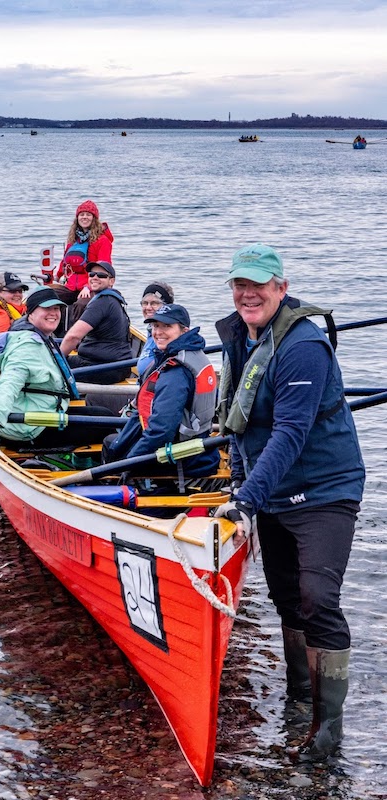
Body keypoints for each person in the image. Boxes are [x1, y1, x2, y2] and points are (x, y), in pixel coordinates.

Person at [213, 243, 366, 761]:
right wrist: (241, 486)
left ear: (281, 287)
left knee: (318, 600)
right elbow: (238, 421)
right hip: (271, 488)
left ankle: (328, 732)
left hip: (325, 488)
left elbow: (291, 431)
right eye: (239, 285)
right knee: (285, 597)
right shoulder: (240, 333)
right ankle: (300, 699)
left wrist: (245, 503)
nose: (246, 294)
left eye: (257, 285)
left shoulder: (302, 346)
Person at [0, 287, 117, 447]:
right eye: (46, 308)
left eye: (56, 308)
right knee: (106, 424)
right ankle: (99, 465)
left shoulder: (38, 336)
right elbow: (9, 383)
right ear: (31, 312)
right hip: (28, 428)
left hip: (42, 412)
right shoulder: (27, 347)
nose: (53, 313)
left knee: (103, 415)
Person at [102, 303, 219, 479]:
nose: (158, 332)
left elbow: (161, 431)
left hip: (180, 455)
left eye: (167, 326)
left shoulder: (176, 372)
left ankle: (114, 490)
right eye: (156, 326)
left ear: (184, 330)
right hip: (200, 449)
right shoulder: (194, 355)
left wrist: (129, 463)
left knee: (111, 446)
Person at [60, 261, 133, 385]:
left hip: (104, 368)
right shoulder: (113, 299)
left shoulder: (102, 302)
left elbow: (73, 336)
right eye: (92, 274)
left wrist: (56, 360)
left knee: (50, 367)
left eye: (101, 275)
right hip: (115, 365)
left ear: (112, 281)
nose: (95, 277)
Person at [50, 200, 114, 328]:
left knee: (81, 305)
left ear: (94, 218)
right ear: (77, 218)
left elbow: (103, 267)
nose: (84, 217)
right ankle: (50, 331)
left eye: (88, 214)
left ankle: (78, 341)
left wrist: (88, 286)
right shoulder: (73, 240)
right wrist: (57, 276)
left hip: (92, 286)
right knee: (47, 295)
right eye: (82, 214)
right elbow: (65, 261)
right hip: (71, 285)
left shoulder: (102, 241)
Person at [137, 281, 175, 377]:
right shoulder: (151, 330)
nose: (148, 308)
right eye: (145, 303)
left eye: (154, 303)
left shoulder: (167, 336)